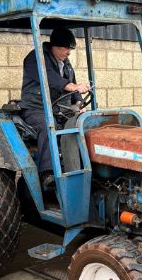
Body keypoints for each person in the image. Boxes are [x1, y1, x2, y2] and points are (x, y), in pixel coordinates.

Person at [19, 27, 91, 189]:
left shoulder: (65, 63)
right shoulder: (35, 58)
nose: (68, 53)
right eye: (65, 48)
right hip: (35, 108)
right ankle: (48, 173)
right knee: (47, 126)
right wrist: (72, 86)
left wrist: (80, 105)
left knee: (81, 124)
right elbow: (50, 78)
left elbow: (73, 84)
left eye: (70, 49)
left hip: (57, 109)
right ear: (54, 46)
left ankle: (82, 167)